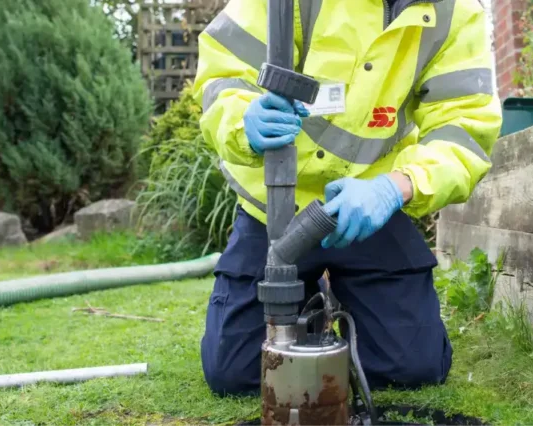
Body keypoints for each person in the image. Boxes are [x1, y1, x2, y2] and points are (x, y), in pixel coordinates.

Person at [192, 0, 502, 396]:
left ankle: (329, 302)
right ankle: (313, 303)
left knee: (410, 367)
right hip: (275, 209)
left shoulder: (454, 12)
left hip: (367, 206)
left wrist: (397, 185)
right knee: (237, 374)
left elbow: (463, 127)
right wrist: (242, 119)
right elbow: (224, 75)